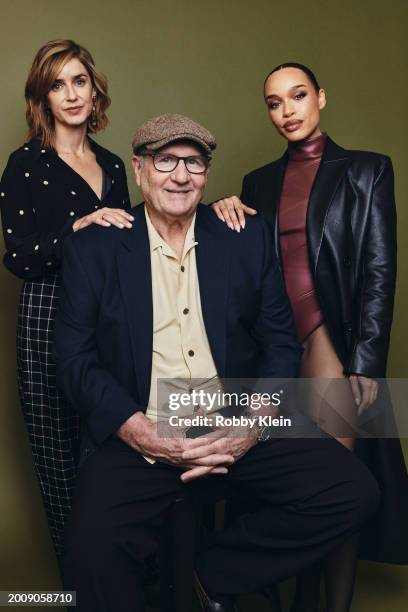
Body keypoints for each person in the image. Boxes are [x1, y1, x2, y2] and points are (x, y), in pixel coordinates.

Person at [53, 113, 379, 612]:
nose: (180, 175)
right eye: (166, 161)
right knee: (90, 546)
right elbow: (75, 360)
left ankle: (208, 574)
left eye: (194, 162)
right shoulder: (93, 248)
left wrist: (253, 424)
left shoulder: (246, 236)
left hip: (233, 414)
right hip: (143, 423)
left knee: (352, 490)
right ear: (139, 170)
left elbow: (279, 342)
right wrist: (138, 430)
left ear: (206, 174)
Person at [212, 63, 408, 611]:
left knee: (339, 484)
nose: (287, 111)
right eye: (274, 103)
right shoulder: (257, 182)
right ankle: (283, 594)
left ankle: (330, 605)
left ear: (320, 97)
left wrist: (366, 361)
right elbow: (245, 263)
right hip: (273, 347)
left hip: (329, 342)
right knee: (283, 484)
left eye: (298, 96)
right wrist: (221, 210)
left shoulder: (368, 171)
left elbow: (378, 270)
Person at [0, 39, 134, 557]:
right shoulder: (24, 165)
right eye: (58, 85)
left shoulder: (115, 165)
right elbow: (18, 257)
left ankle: (118, 580)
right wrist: (77, 226)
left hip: (107, 319)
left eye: (79, 81)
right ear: (43, 97)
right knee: (58, 460)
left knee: (109, 452)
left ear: (93, 90)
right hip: (46, 315)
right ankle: (75, 588)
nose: (72, 95)